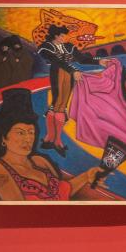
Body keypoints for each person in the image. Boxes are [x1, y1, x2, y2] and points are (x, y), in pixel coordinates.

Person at [0, 88, 114, 202]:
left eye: (31, 132)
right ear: (4, 138)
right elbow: (19, 209)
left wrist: (87, 176)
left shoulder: (39, 161)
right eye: (20, 133)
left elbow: (63, 192)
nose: (28, 138)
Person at [36, 23, 80, 155]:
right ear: (55, 35)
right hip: (57, 74)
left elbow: (82, 58)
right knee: (57, 104)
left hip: (68, 76)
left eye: (64, 36)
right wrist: (73, 71)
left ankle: (51, 139)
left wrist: (98, 61)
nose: (64, 38)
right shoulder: (46, 47)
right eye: (61, 36)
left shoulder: (67, 47)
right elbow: (56, 61)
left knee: (61, 105)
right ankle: (53, 139)